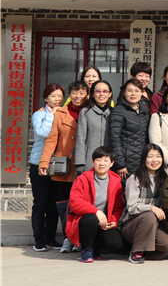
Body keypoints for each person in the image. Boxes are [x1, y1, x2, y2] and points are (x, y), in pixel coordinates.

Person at [39, 80, 88, 253]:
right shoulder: (60, 113)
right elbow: (51, 139)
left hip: (84, 166)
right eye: (74, 92)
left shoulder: (90, 111)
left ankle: (80, 238)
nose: (78, 96)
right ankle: (68, 237)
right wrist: (44, 162)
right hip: (64, 167)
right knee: (63, 203)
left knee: (82, 204)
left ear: (87, 95)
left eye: (82, 93)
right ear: (69, 95)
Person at [66, 146, 124, 263]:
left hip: (104, 223)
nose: (102, 163)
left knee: (115, 243)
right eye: (98, 160)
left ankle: (96, 248)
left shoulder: (116, 181)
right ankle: (86, 249)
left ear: (111, 163)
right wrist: (96, 211)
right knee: (91, 219)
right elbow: (75, 202)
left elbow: (118, 207)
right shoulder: (83, 179)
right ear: (93, 162)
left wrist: (113, 221)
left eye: (106, 160)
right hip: (85, 222)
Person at [120, 144, 168, 263]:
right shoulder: (134, 178)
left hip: (154, 224)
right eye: (150, 156)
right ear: (144, 159)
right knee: (150, 215)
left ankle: (144, 252)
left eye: (158, 156)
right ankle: (136, 251)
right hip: (132, 225)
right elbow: (131, 207)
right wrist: (152, 208)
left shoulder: (164, 178)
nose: (155, 160)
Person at [29, 83, 64, 251]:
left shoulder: (63, 113)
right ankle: (39, 240)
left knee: (53, 204)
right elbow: (42, 132)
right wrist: (52, 115)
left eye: (60, 96)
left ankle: (50, 238)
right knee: (40, 203)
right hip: (39, 163)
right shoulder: (39, 114)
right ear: (45, 98)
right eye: (53, 96)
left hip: (57, 165)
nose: (57, 99)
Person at [109, 78, 150, 179]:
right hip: (126, 163)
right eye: (129, 90)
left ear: (142, 93)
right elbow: (115, 139)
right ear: (124, 92)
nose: (133, 94)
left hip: (142, 161)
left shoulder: (144, 111)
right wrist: (120, 164)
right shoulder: (118, 111)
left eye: (137, 91)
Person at [75, 80, 113, 176]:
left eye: (105, 91)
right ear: (92, 94)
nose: (101, 94)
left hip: (109, 162)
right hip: (90, 160)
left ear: (110, 94)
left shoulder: (114, 113)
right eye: (98, 91)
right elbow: (80, 139)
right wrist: (80, 163)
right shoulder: (85, 112)